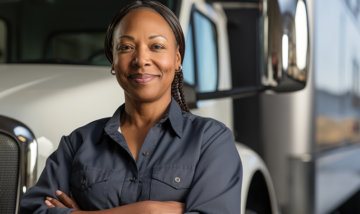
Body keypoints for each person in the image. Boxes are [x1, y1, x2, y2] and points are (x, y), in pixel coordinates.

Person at [18, 1, 242, 213]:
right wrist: (151, 211)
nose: (141, 59)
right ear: (113, 61)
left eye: (156, 46)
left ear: (177, 59)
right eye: (126, 47)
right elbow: (34, 210)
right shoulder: (77, 143)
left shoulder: (210, 140)